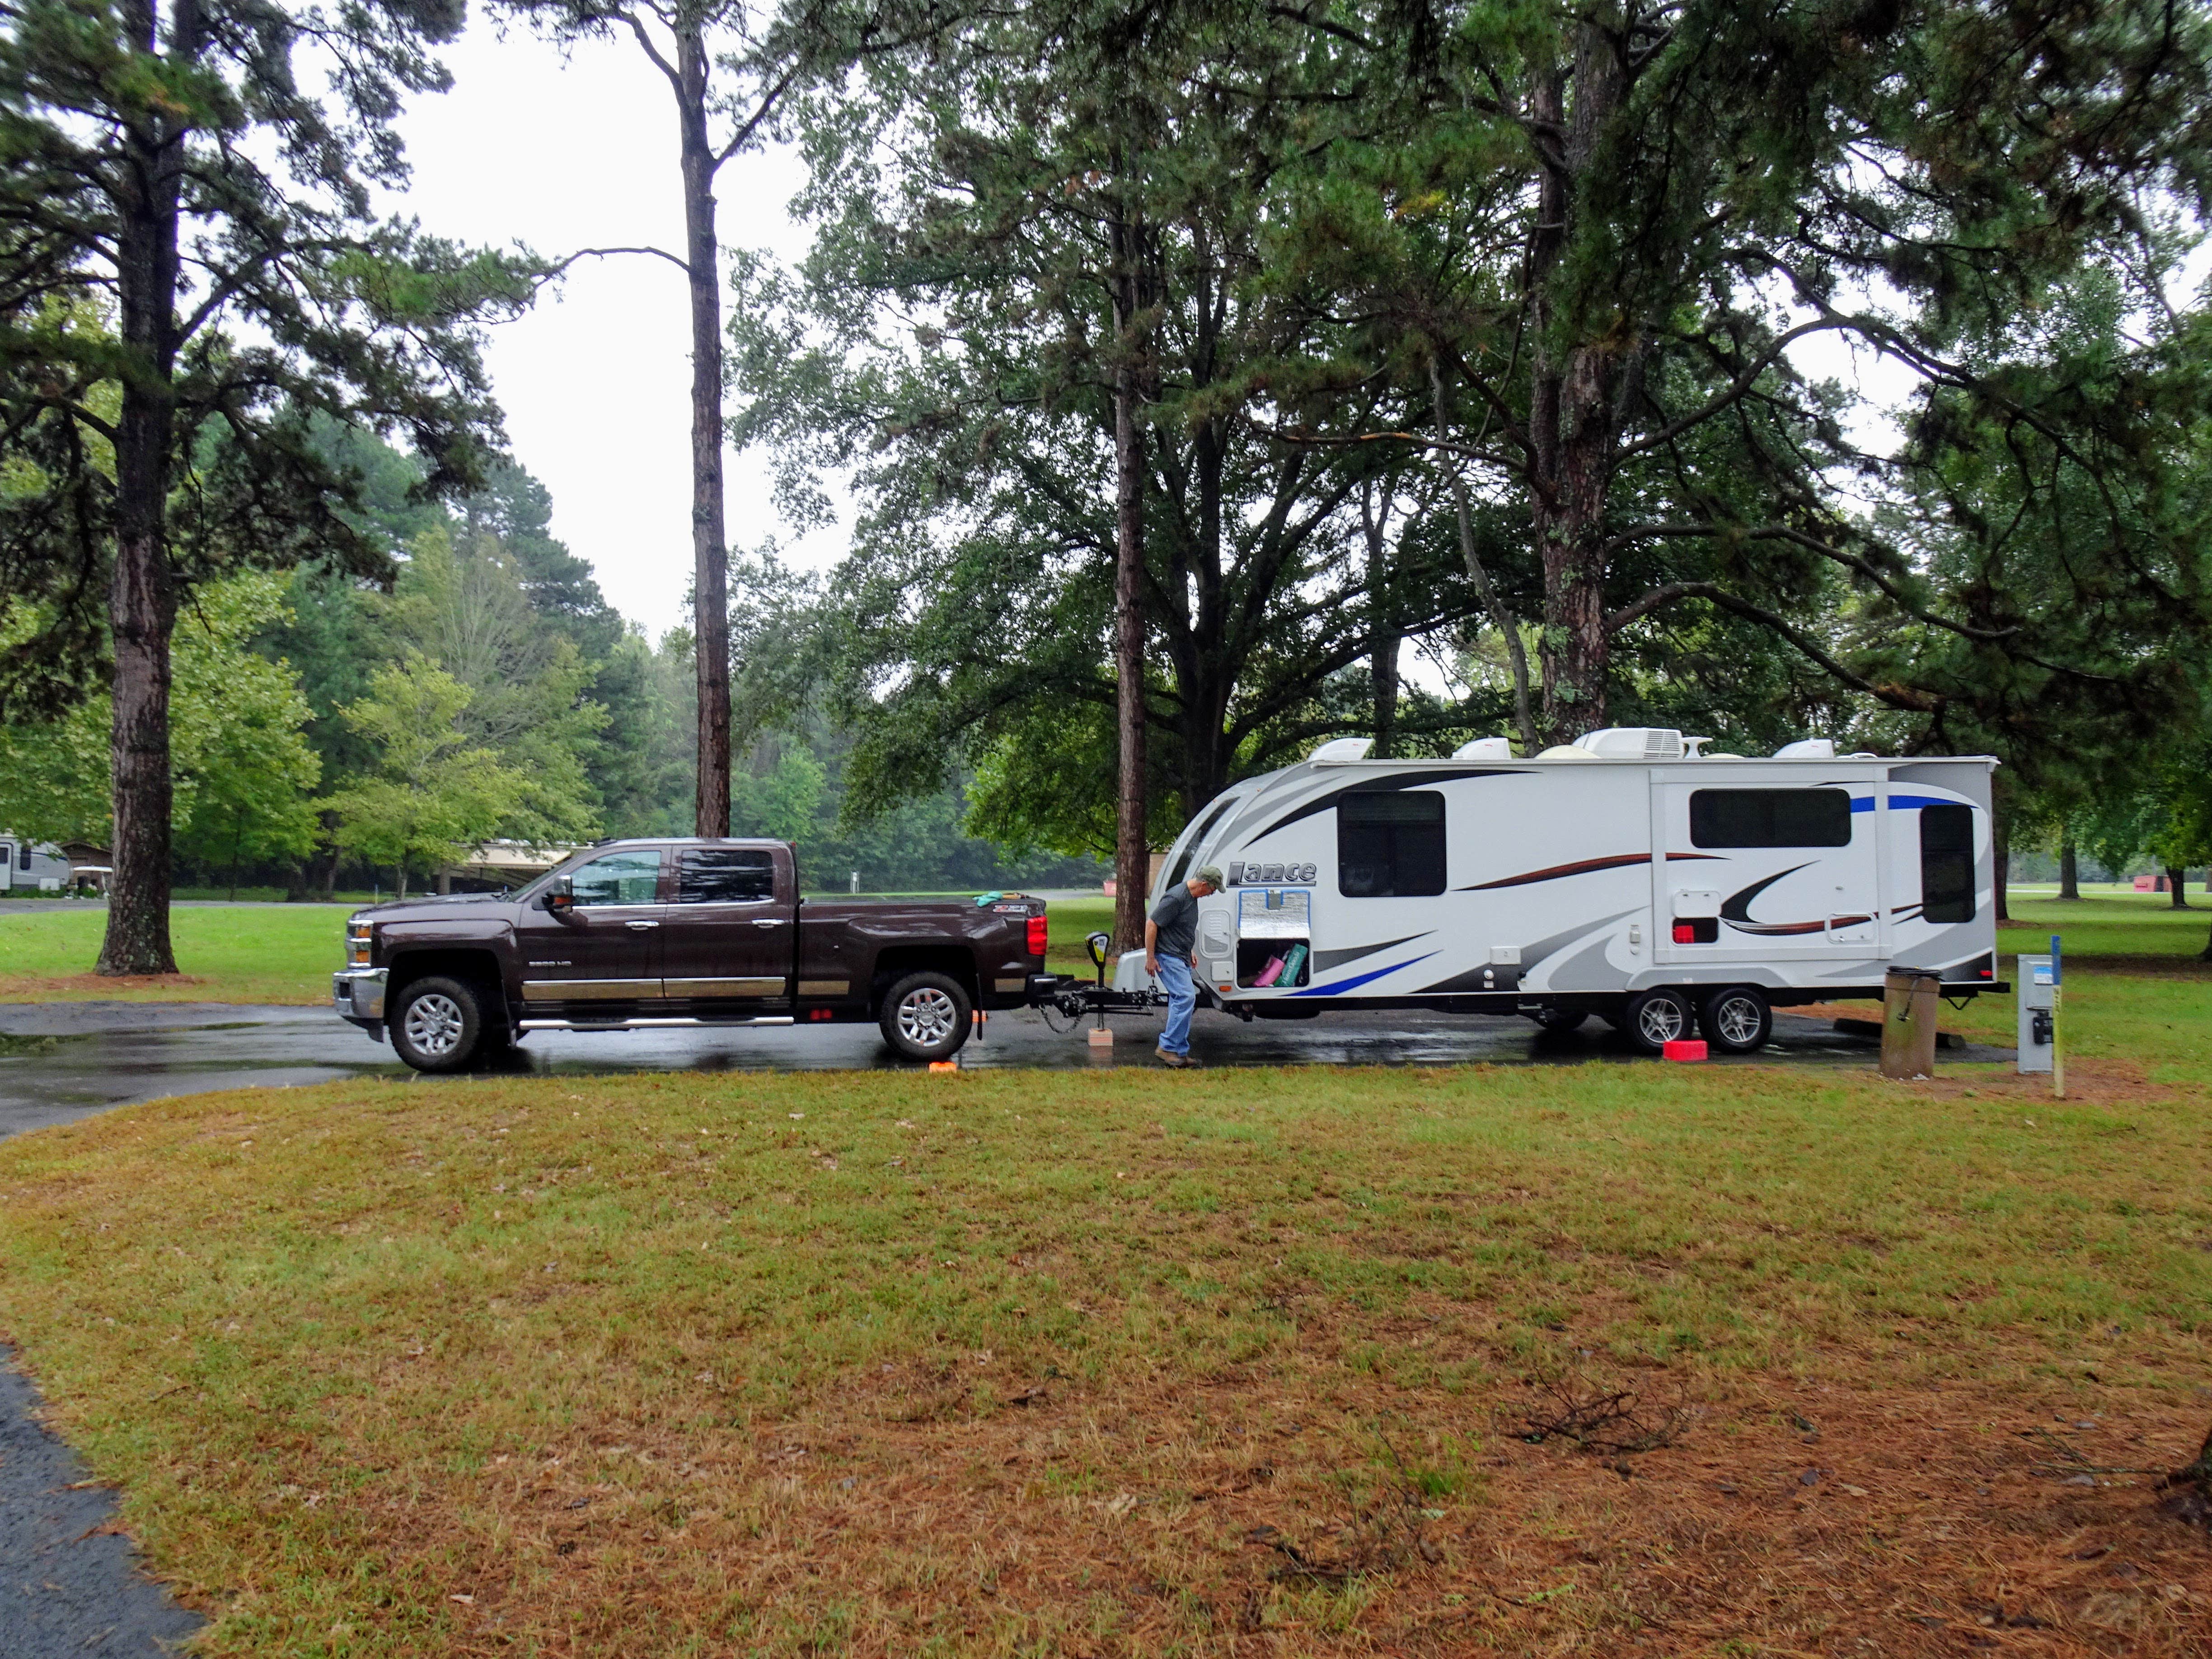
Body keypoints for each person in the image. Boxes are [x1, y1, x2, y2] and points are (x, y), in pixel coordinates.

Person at [1145, 863, 1222, 1068]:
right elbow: (1152, 924)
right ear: (1204, 884)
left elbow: (1180, 928)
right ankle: (1167, 1048)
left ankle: (1179, 1052)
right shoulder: (1177, 898)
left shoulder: (1192, 897)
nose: (1212, 894)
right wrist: (1150, 958)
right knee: (1185, 997)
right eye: (1213, 890)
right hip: (1167, 956)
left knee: (1183, 1001)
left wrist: (1190, 951)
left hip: (1181, 956)